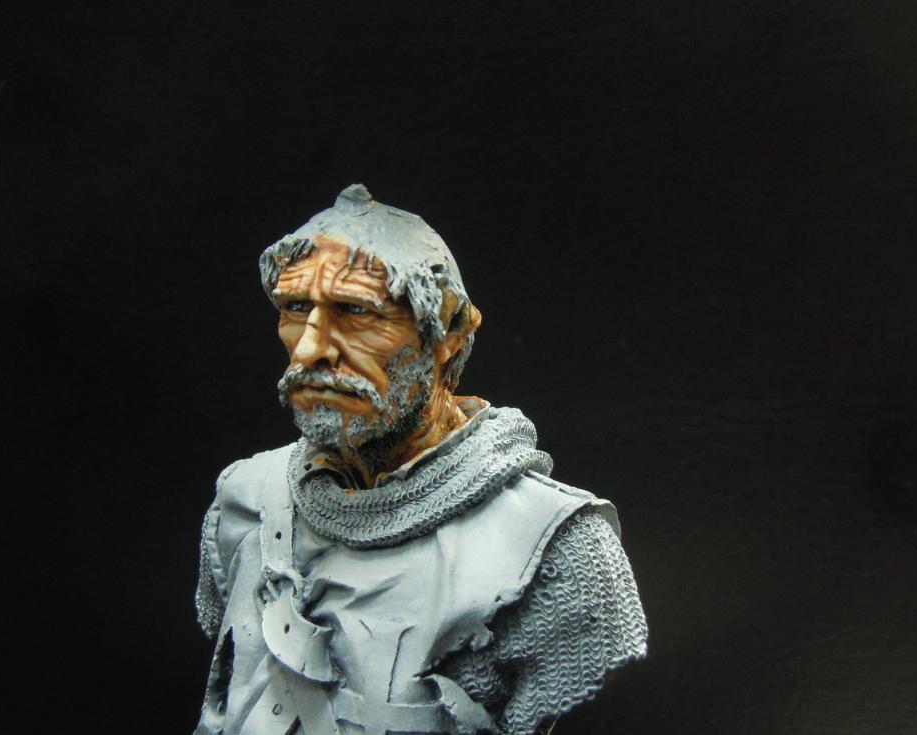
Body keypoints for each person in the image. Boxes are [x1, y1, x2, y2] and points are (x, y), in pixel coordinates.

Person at [193, 185, 647, 735]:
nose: (309, 349)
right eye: (295, 308)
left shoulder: (556, 549)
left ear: (449, 332)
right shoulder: (246, 500)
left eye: (355, 311)